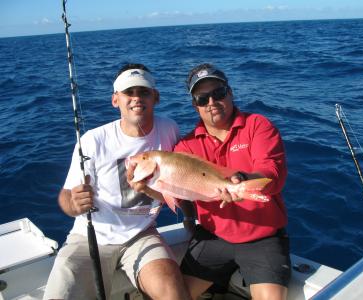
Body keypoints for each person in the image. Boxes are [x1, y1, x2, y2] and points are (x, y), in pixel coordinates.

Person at [44, 63, 191, 300]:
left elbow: (184, 178)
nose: (136, 98)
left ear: (156, 97)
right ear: (115, 100)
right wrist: (74, 204)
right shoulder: (93, 140)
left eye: (143, 92)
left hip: (142, 234)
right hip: (90, 237)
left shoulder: (169, 129)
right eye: (128, 93)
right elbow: (66, 195)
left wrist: (191, 216)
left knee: (173, 292)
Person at [175, 63, 291, 300]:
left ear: (230, 92)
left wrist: (243, 181)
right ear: (194, 105)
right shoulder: (186, 147)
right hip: (212, 236)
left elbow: (272, 172)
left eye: (218, 93)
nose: (211, 102)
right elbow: (176, 190)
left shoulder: (257, 125)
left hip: (262, 237)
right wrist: (147, 187)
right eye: (202, 98)